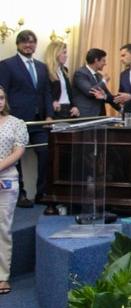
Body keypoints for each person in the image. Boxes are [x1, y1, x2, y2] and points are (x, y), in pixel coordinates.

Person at [0, 30, 53, 207]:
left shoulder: (41, 66)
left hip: (39, 121)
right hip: (16, 120)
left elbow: (46, 91)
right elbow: (4, 92)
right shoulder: (7, 65)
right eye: (24, 42)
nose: (28, 45)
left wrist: (49, 115)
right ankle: (21, 194)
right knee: (15, 157)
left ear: (35, 44)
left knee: (45, 151)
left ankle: (42, 192)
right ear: (18, 44)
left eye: (31, 42)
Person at [0, 86, 28, 295]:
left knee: (3, 229)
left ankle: (2, 277)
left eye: (1, 98)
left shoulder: (17, 123)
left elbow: (18, 152)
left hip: (6, 181)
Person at [71, 48, 114, 117]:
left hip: (100, 116)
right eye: (103, 61)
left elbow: (106, 95)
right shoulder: (80, 73)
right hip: (86, 117)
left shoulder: (99, 76)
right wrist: (104, 81)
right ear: (96, 60)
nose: (105, 64)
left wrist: (121, 109)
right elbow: (90, 92)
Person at [44, 41, 80, 120]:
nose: (66, 56)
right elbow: (45, 91)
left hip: (68, 109)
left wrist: (74, 106)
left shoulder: (64, 70)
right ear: (55, 53)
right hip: (56, 110)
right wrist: (52, 101)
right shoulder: (45, 70)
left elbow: (68, 92)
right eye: (64, 53)